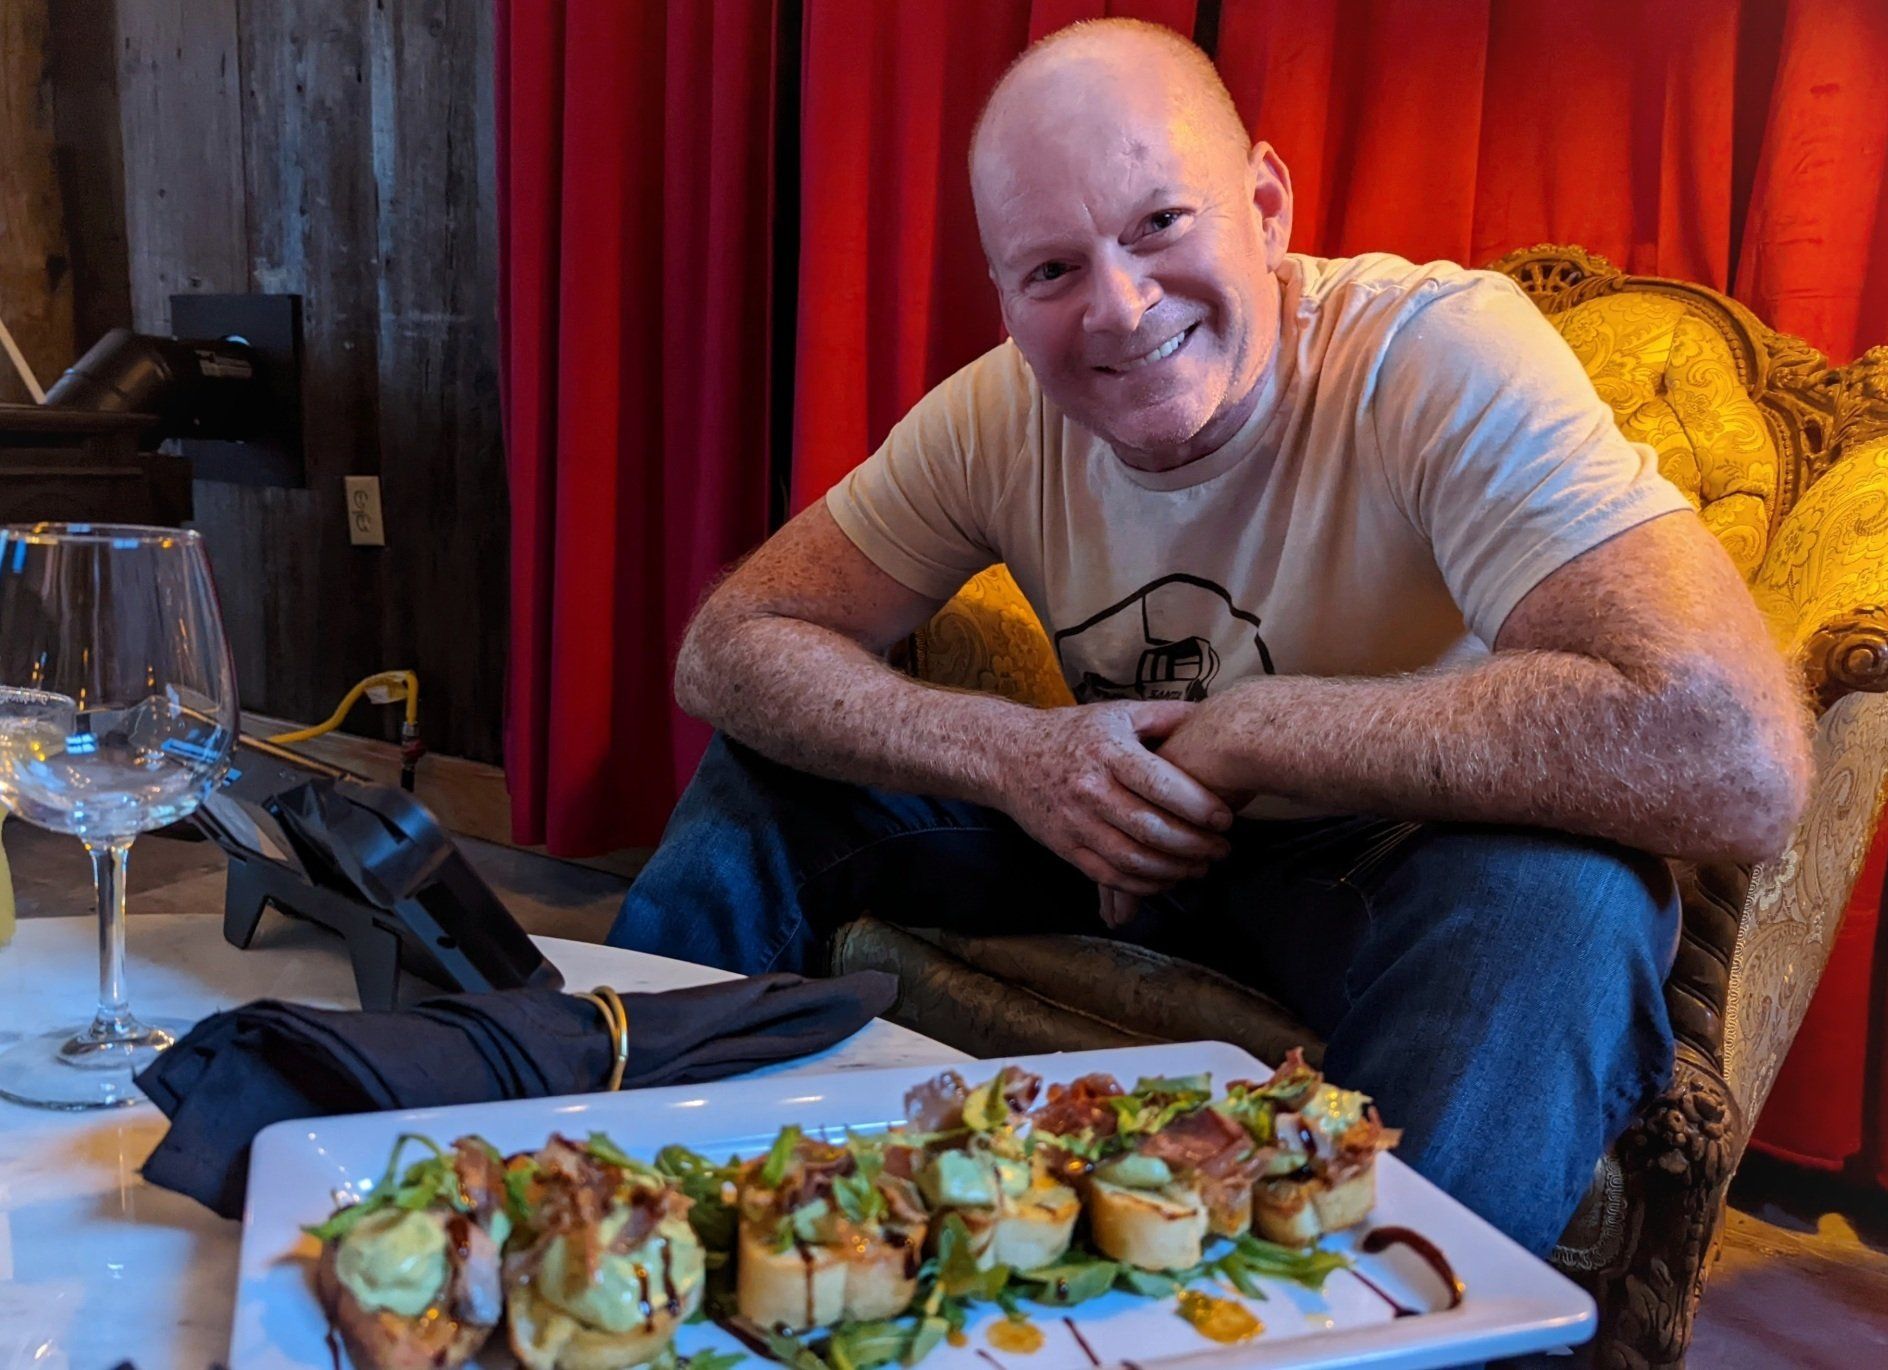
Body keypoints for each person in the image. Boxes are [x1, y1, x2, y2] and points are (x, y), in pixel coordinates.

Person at [608, 18, 1811, 1256]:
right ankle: (603, 1199)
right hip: (1109, 819)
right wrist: (1014, 754)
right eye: (1052, 271)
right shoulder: (995, 412)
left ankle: (1378, 1326)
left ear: (1270, 204)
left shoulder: (1432, 352)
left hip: (1392, 855)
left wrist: (1259, 730)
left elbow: (1735, 751)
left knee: (1568, 900)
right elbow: (736, 642)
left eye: (1160, 226)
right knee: (772, 772)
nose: (1120, 311)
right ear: (1008, 295)